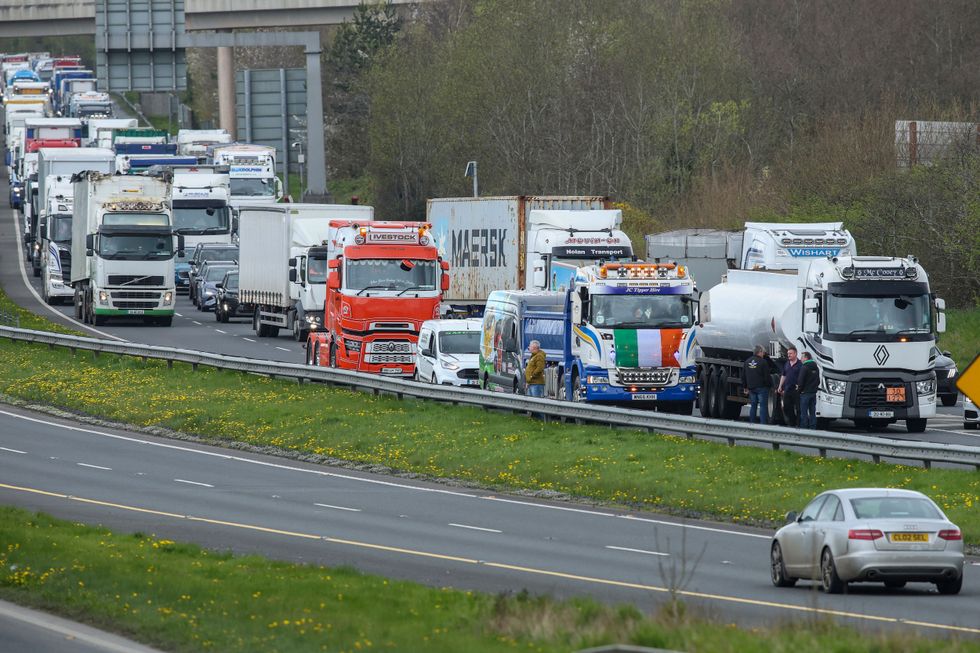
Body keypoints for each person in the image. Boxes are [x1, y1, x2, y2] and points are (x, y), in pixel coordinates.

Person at [742, 345, 772, 424]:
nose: (764, 354)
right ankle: (762, 425)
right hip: (762, 388)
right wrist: (770, 385)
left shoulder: (747, 361)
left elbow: (743, 376)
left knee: (753, 406)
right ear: (760, 352)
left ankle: (752, 423)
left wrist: (745, 386)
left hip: (751, 388)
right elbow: (767, 376)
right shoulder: (763, 362)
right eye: (763, 352)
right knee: (763, 406)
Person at [777, 346, 802, 427]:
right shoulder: (787, 363)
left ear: (795, 354)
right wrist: (780, 386)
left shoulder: (800, 364)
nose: (789, 355)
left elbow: (803, 377)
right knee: (786, 407)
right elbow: (783, 375)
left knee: (798, 408)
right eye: (788, 353)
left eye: (790, 353)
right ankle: (792, 422)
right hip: (787, 389)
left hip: (796, 390)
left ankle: (798, 425)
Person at [797, 351, 820, 429]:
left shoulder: (804, 367)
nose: (800, 359)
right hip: (813, 393)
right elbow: (818, 381)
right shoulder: (816, 367)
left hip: (805, 393)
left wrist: (799, 391)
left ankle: (804, 428)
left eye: (802, 357)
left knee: (804, 412)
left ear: (806, 358)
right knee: (812, 412)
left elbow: (800, 381)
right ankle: (812, 428)